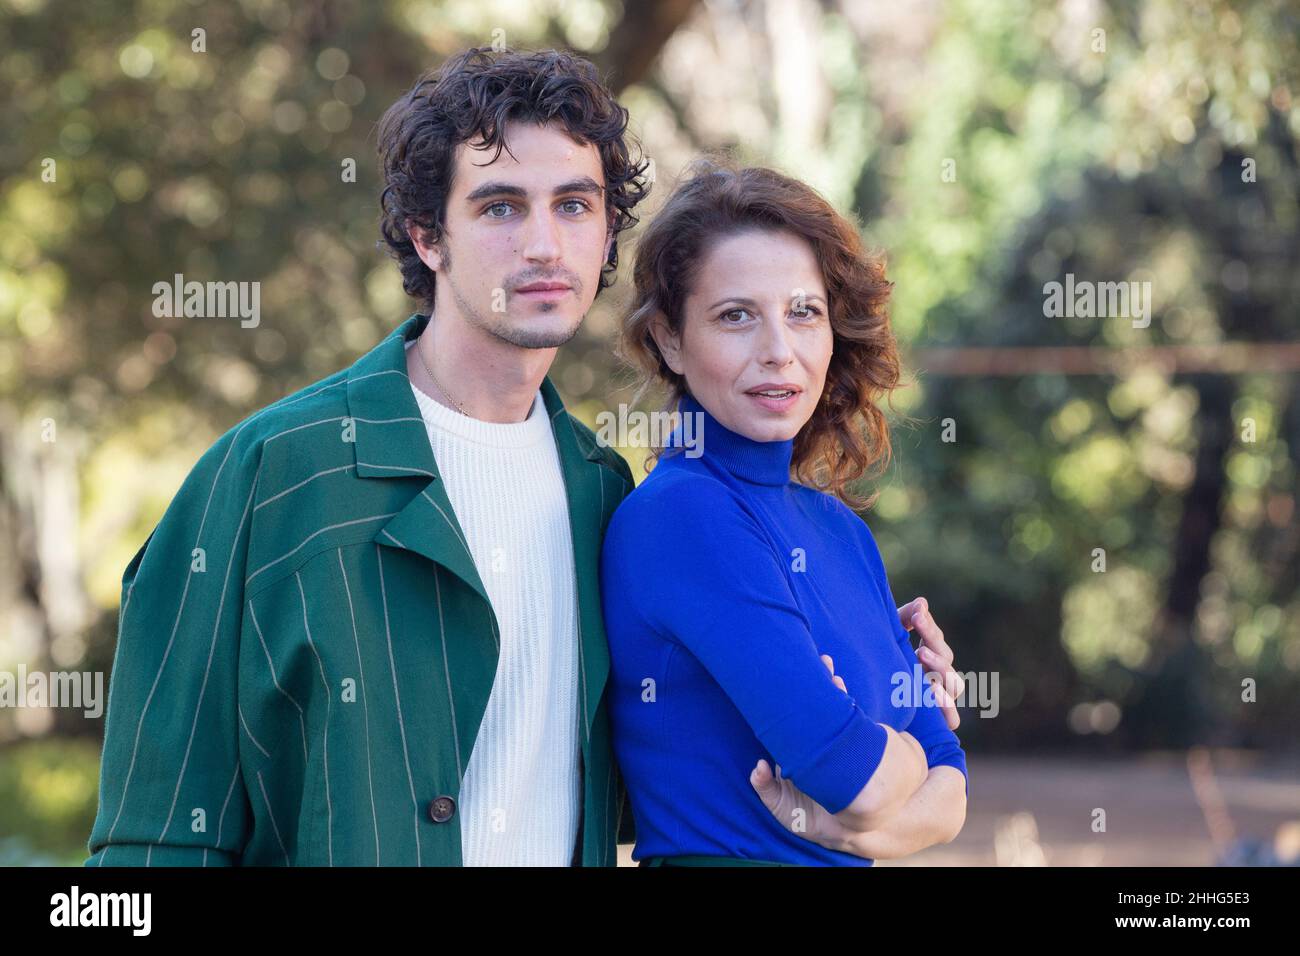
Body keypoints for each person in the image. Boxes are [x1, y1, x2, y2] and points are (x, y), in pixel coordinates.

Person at [85, 45, 649, 866]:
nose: (543, 245)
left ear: (605, 237)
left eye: (574, 205)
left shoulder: (604, 490)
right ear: (428, 236)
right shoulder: (269, 473)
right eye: (499, 207)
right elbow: (154, 840)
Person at [600, 159, 970, 866]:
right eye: (736, 316)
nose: (778, 352)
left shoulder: (842, 533)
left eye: (804, 312)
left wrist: (861, 823)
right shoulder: (681, 517)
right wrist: (888, 764)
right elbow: (854, 779)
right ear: (671, 340)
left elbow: (951, 787)